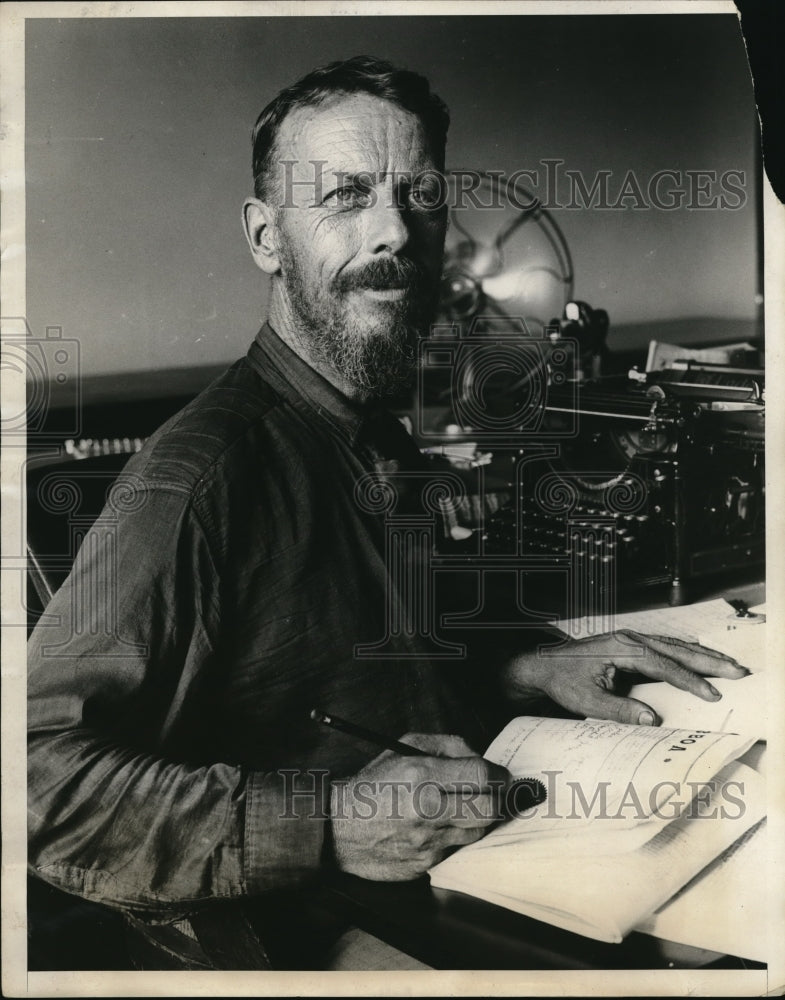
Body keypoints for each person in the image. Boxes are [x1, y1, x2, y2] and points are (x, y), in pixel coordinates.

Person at [27, 55, 747, 971]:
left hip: (471, 869)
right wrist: (326, 822)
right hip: (302, 930)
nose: (394, 232)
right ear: (265, 236)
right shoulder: (198, 483)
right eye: (343, 196)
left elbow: (354, 674)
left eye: (420, 194)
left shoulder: (373, 432)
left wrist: (525, 667)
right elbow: (31, 783)